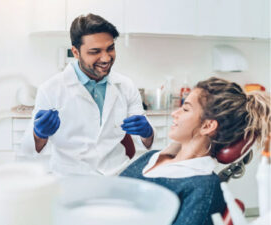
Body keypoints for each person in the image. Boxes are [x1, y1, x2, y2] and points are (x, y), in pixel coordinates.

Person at [120, 77, 271, 225]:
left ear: (207, 126)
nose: (175, 113)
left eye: (185, 109)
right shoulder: (151, 157)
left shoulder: (203, 187)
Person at [22, 13, 154, 176]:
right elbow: (28, 149)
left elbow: (146, 143)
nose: (106, 58)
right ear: (76, 52)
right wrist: (38, 134)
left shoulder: (125, 85)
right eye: (95, 51)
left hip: (117, 175)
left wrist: (147, 132)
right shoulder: (51, 89)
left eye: (110, 48)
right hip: (71, 179)